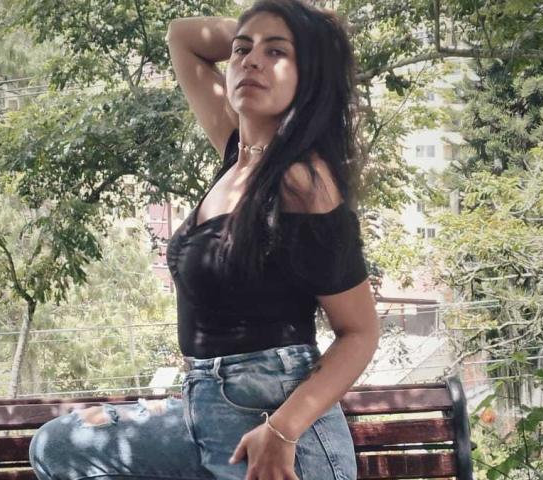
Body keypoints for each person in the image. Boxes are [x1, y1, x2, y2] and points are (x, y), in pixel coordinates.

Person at [28, 0, 379, 479]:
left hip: (274, 424)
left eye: (277, 53)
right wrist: (265, 35)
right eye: (242, 50)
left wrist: (283, 429)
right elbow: (183, 36)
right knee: (60, 445)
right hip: (204, 408)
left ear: (310, 76)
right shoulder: (239, 156)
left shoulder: (301, 181)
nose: (251, 61)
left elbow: (360, 332)